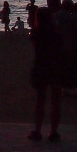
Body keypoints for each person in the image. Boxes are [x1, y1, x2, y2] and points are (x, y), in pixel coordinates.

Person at [28, 7, 62, 141]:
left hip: (41, 66)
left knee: (40, 100)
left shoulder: (36, 33)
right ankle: (53, 131)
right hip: (55, 66)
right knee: (55, 100)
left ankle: (37, 130)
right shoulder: (56, 33)